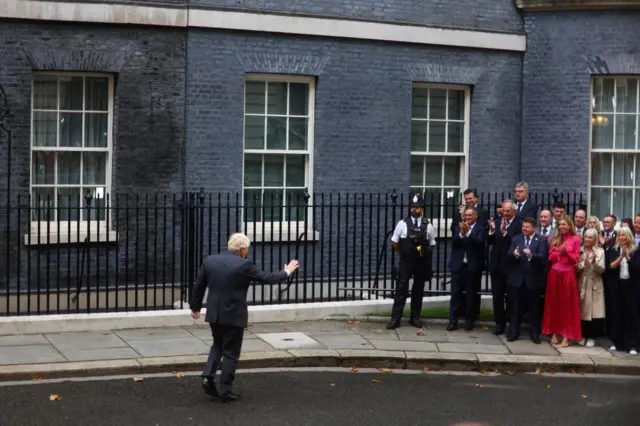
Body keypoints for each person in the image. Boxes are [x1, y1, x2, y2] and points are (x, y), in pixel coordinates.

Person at [190, 233, 300, 401]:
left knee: (217, 345)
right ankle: (226, 389)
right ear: (241, 249)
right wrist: (286, 271)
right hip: (233, 315)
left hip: (214, 313)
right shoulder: (244, 265)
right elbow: (267, 278)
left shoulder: (210, 261)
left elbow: (199, 285)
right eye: (246, 250)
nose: (246, 253)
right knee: (231, 353)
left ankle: (207, 376)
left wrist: (195, 307)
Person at [387, 192, 435, 330]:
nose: (414, 209)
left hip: (421, 262)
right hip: (406, 261)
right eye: (412, 207)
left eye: (417, 207)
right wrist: (403, 253)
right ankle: (396, 319)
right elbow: (394, 242)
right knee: (401, 289)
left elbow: (432, 243)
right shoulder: (402, 224)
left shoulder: (428, 225)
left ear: (422, 208)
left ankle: (415, 318)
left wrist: (424, 254)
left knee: (418, 290)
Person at [542, 216, 582, 347]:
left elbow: (575, 259)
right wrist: (559, 253)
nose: (561, 227)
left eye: (564, 224)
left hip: (567, 274)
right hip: (554, 273)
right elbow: (550, 256)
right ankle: (554, 332)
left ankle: (566, 335)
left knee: (567, 304)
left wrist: (566, 253)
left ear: (570, 225)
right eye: (560, 225)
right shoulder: (555, 239)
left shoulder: (576, 239)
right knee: (554, 303)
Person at [506, 217, 547, 343]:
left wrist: (531, 255)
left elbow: (543, 257)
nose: (524, 229)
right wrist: (514, 255)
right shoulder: (516, 238)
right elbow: (509, 254)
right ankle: (514, 333)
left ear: (534, 228)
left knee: (534, 309)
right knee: (516, 308)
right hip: (518, 279)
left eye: (527, 227)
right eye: (523, 226)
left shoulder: (540, 240)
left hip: (532, 280)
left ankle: (534, 334)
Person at [448, 207, 486, 331]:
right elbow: (454, 243)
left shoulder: (480, 228)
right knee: (455, 294)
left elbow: (479, 242)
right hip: (458, 266)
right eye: (466, 215)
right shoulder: (458, 227)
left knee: (470, 295)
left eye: (470, 215)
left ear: (475, 216)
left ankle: (469, 320)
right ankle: (453, 321)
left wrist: (469, 231)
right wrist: (462, 233)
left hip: (471, 267)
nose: (468, 218)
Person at [487, 200, 522, 336]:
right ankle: (499, 324)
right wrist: (491, 231)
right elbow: (490, 242)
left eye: (508, 211)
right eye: (503, 211)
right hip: (496, 265)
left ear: (514, 211)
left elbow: (516, 242)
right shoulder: (496, 221)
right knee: (497, 297)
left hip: (511, 266)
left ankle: (513, 325)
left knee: (512, 298)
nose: (505, 213)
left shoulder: (519, 223)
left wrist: (504, 232)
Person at [605, 227, 640, 356]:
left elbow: (637, 267)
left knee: (631, 315)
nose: (621, 237)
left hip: (631, 286)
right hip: (618, 285)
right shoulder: (614, 249)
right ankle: (618, 343)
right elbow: (611, 266)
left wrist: (628, 257)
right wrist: (621, 257)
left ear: (629, 236)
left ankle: (632, 345)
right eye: (619, 235)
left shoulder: (636, 250)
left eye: (623, 235)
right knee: (617, 314)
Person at [576, 228, 605, 348]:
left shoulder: (600, 251)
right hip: (582, 282)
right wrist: (583, 264)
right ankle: (581, 335)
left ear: (595, 239)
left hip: (595, 283)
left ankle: (592, 337)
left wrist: (593, 263)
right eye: (586, 237)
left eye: (590, 237)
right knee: (581, 310)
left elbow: (602, 269)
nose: (587, 239)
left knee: (594, 312)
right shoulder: (580, 250)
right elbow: (575, 268)